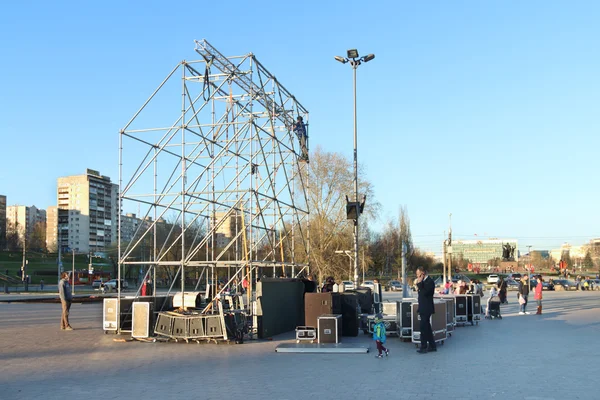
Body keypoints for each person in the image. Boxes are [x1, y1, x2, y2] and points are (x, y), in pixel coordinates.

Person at [416, 266, 436, 354]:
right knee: (427, 328)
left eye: (418, 274)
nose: (417, 276)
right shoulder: (424, 282)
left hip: (427, 308)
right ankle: (432, 346)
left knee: (423, 328)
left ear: (422, 274)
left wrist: (420, 283)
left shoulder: (430, 282)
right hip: (422, 308)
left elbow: (425, 293)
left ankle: (423, 347)